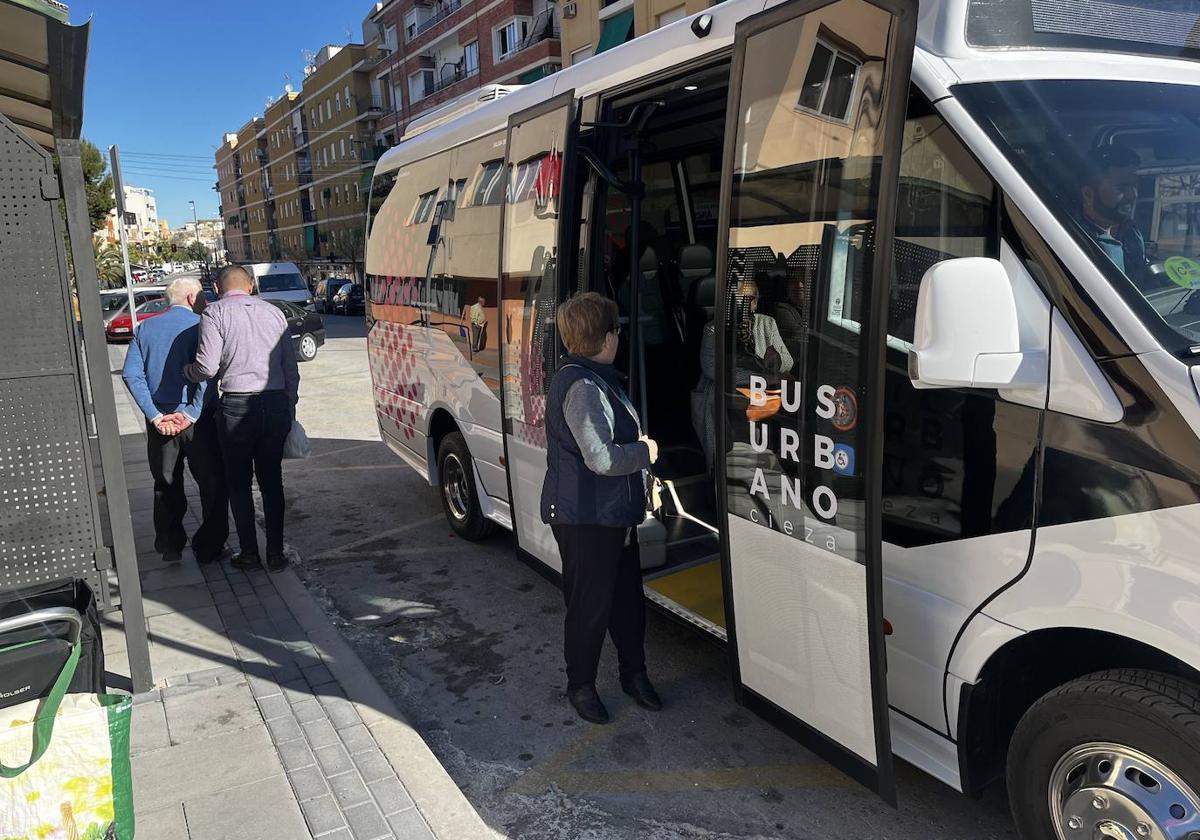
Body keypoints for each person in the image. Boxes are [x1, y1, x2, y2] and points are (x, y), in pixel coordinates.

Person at [540, 292, 662, 724]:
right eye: (616, 329)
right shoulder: (583, 387)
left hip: (612, 516)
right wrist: (645, 452)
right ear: (605, 337)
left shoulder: (595, 376)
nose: (619, 336)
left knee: (627, 602)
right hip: (587, 519)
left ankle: (634, 675)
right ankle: (581, 686)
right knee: (590, 607)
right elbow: (603, 458)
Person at [185, 265, 299, 573]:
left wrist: (188, 372)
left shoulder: (215, 314)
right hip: (274, 403)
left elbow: (207, 368)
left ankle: (250, 552)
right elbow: (291, 367)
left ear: (217, 288)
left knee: (239, 483)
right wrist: (290, 407)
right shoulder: (274, 313)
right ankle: (275, 553)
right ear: (250, 285)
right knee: (272, 482)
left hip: (236, 406)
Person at [121, 276, 229, 564]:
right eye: (203, 296)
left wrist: (155, 415)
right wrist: (192, 411)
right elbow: (209, 372)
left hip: (162, 423)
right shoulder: (202, 326)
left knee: (166, 483)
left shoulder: (146, 328)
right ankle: (210, 547)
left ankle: (170, 545)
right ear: (192, 298)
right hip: (199, 421)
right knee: (212, 483)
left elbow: (132, 374)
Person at [1080, 145, 1149, 289]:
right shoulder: (1075, 239)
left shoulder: (1131, 231)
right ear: (1088, 194)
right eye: (1121, 188)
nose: (1132, 195)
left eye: (1134, 186)